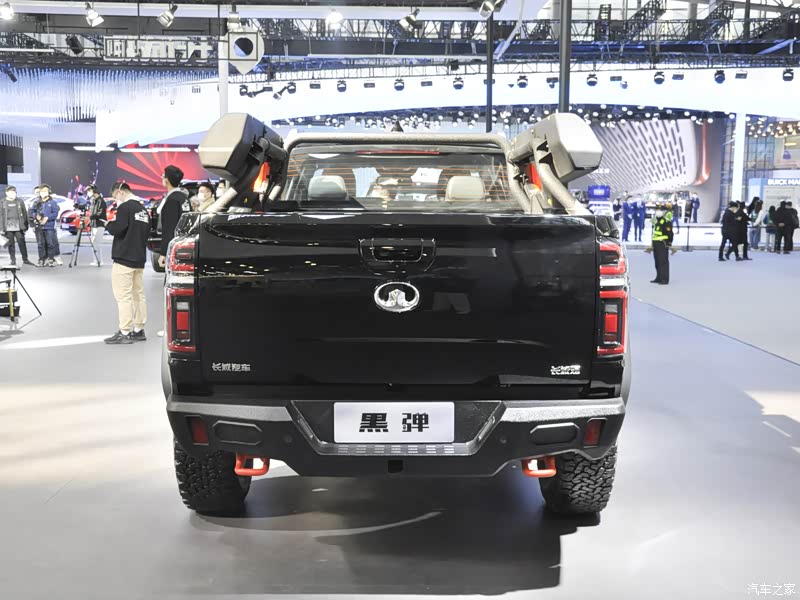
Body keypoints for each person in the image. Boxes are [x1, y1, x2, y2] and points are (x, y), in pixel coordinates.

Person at [104, 182, 150, 345]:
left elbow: (118, 229)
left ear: (120, 192)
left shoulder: (125, 208)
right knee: (138, 295)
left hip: (124, 257)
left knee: (123, 296)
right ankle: (139, 329)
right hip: (139, 257)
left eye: (115, 196)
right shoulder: (143, 209)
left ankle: (124, 331)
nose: (116, 199)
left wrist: (109, 224)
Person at [156, 165, 190, 269]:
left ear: (166, 180)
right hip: (184, 244)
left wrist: (164, 253)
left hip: (174, 248)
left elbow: (169, 228)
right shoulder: (184, 198)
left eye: (163, 176)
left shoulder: (172, 200)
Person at [29, 184, 62, 267]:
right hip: (39, 227)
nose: (43, 193)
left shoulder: (53, 202)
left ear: (48, 192)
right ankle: (41, 259)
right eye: (41, 191)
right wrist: (36, 216)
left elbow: (55, 213)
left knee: (50, 244)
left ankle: (51, 259)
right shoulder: (36, 202)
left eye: (45, 191)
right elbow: (32, 211)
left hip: (49, 226)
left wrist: (47, 218)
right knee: (40, 244)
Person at [0, 186, 34, 266]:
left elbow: (24, 213)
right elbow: (1, 215)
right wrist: (1, 228)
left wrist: (25, 226)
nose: (13, 193)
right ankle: (13, 260)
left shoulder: (19, 201)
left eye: (14, 192)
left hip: (19, 227)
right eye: (11, 192)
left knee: (22, 243)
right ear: (6, 193)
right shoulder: (2, 202)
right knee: (11, 244)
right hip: (8, 227)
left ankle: (25, 259)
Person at [650, 202, 673, 285]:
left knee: (663, 262)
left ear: (663, 212)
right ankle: (659, 277)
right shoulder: (656, 221)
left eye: (659, 210)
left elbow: (670, 233)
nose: (657, 212)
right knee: (657, 262)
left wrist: (669, 242)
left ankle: (664, 279)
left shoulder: (666, 221)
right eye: (656, 210)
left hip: (663, 243)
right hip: (656, 243)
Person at [85, 185, 108, 265]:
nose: (88, 192)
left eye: (89, 190)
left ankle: (99, 261)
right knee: (94, 243)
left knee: (96, 243)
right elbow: (92, 213)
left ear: (94, 190)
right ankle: (96, 260)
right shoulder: (93, 201)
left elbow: (99, 213)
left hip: (100, 224)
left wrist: (89, 218)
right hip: (94, 224)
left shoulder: (101, 201)